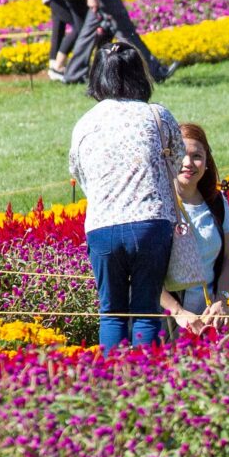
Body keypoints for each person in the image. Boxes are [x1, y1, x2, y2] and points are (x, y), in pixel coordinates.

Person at [67, 37, 183, 352]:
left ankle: (112, 384)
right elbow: (176, 164)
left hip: (102, 226)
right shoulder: (157, 115)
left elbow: (79, 175)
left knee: (112, 313)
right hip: (150, 223)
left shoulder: (84, 124)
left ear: (97, 77)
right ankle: (147, 378)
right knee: (146, 309)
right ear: (139, 75)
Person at [159, 123, 229, 337]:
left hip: (209, 319)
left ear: (207, 162)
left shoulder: (217, 202)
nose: (188, 163)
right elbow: (145, 274)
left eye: (196, 156)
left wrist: (221, 299)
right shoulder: (159, 204)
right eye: (181, 155)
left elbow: (228, 257)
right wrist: (178, 312)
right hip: (171, 322)